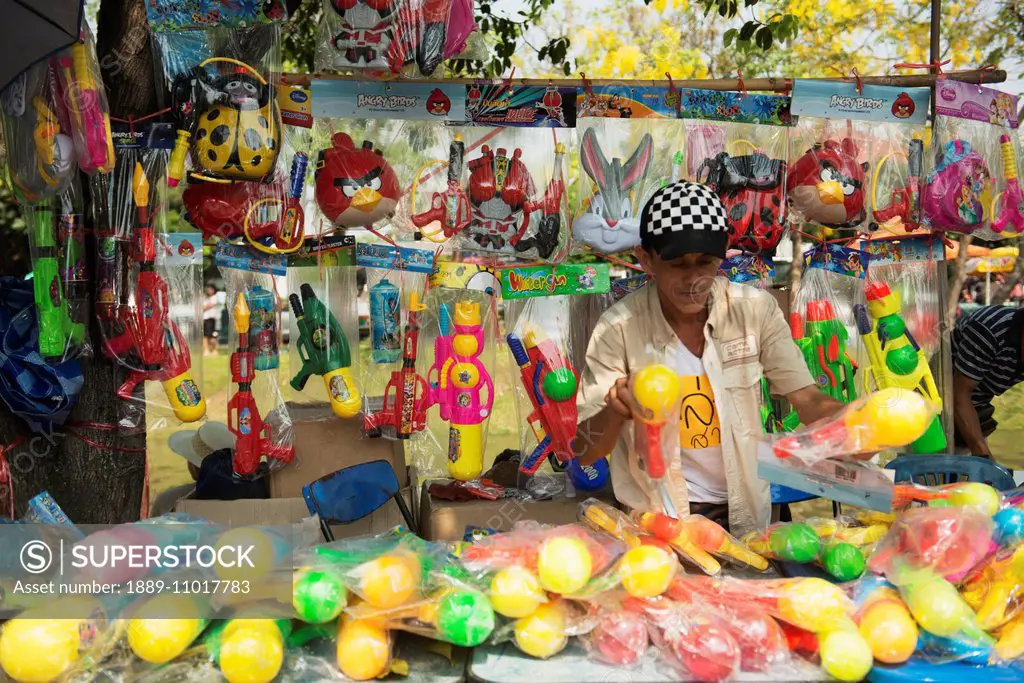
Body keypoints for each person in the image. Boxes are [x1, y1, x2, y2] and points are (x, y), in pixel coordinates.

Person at [574, 182, 845, 535]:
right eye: (677, 264)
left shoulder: (753, 310)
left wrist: (849, 427)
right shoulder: (618, 329)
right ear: (646, 259)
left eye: (705, 263)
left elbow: (807, 399)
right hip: (661, 527)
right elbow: (584, 450)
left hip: (746, 519)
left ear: (723, 255)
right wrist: (616, 410)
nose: (693, 280)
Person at [951, 304, 1024, 458]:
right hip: (937, 407)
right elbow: (958, 396)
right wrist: (983, 455)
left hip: (975, 411)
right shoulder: (990, 328)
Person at [202, 284, 220, 356]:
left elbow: (207, 306)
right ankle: (207, 350)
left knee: (211, 336)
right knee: (205, 336)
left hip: (211, 319)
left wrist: (203, 308)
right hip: (205, 319)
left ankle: (215, 350)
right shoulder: (206, 298)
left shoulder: (214, 297)